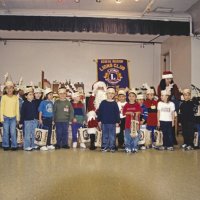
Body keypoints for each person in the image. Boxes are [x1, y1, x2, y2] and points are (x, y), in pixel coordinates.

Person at [98, 88, 120, 152]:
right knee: (104, 135)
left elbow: (117, 113)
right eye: (109, 93)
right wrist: (99, 120)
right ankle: (104, 147)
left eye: (112, 93)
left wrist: (117, 121)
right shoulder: (103, 102)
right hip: (104, 122)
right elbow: (100, 112)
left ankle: (112, 147)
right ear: (106, 94)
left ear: (114, 95)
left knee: (112, 136)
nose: (110, 94)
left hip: (112, 123)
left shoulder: (115, 103)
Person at [87, 81, 107, 150]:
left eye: (102, 88)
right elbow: (90, 107)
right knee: (91, 117)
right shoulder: (92, 97)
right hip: (95, 115)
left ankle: (104, 142)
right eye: (99, 88)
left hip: (104, 115)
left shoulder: (106, 97)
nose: (100, 90)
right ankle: (92, 142)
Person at [0, 81, 20, 151]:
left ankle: (14, 145)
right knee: (6, 132)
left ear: (13, 89)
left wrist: (18, 118)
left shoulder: (15, 98)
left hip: (13, 118)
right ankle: (5, 145)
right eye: (7, 88)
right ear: (5, 90)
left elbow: (17, 108)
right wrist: (1, 118)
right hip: (5, 118)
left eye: (11, 88)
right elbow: (1, 108)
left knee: (13, 132)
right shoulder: (4, 97)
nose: (9, 89)